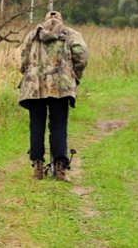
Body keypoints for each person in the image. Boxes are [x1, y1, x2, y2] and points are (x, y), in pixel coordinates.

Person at [18, 10, 88, 180]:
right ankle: (60, 168)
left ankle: (38, 166)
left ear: (45, 20)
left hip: (35, 88)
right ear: (61, 20)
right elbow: (82, 57)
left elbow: (23, 60)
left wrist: (30, 74)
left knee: (36, 125)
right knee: (59, 125)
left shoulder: (32, 35)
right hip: (61, 88)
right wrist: (74, 75)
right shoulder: (71, 35)